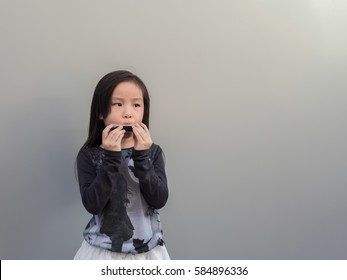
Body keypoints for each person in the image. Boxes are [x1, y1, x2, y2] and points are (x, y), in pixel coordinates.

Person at [74, 70, 170, 260]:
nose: (128, 113)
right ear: (101, 112)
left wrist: (142, 156)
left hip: (147, 252)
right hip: (102, 251)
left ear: (144, 110)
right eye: (118, 104)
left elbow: (159, 200)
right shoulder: (89, 155)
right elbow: (93, 205)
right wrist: (110, 157)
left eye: (136, 105)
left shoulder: (153, 152)